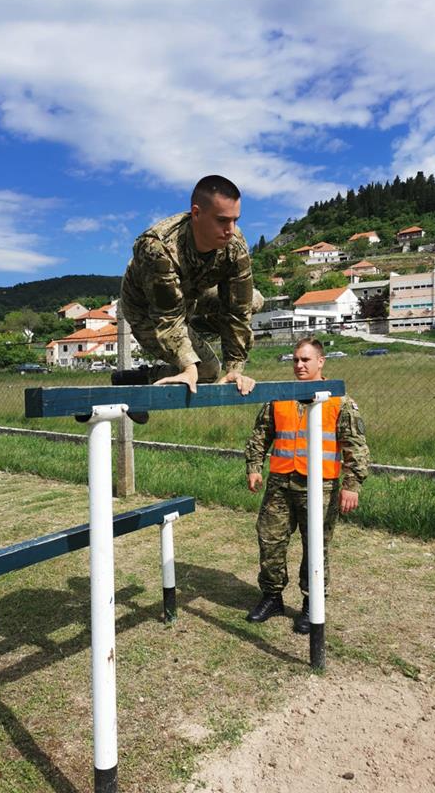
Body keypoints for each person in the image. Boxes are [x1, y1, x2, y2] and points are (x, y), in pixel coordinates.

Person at [244, 337, 369, 633]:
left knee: (315, 546)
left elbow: (356, 446)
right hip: (280, 482)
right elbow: (261, 434)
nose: (299, 365)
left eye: (306, 360)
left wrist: (352, 484)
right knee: (270, 539)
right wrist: (253, 466)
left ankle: (312, 603)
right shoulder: (279, 396)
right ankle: (272, 596)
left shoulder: (339, 400)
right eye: (296, 360)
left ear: (320, 362)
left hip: (321, 486)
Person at [119, 175, 263, 400]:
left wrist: (235, 369)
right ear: (196, 213)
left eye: (235, 220)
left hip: (192, 296)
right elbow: (168, 318)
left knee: (254, 299)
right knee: (207, 371)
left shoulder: (235, 245)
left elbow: (238, 310)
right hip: (147, 310)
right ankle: (137, 380)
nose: (231, 229)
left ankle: (196, 327)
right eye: (222, 220)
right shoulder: (157, 248)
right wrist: (189, 366)